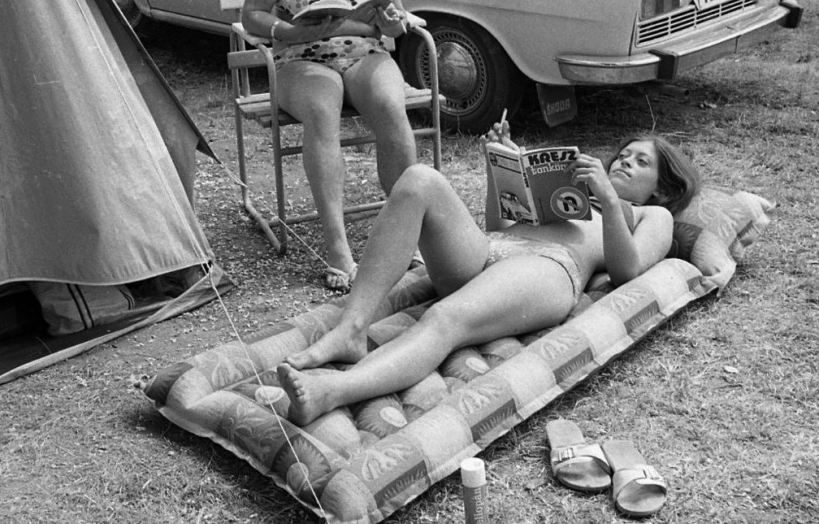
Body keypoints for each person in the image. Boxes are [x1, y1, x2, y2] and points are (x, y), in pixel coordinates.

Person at [276, 130, 700, 426]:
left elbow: (629, 270)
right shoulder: (574, 187)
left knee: (444, 318)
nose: (625, 161)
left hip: (548, 269)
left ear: (660, 190)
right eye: (624, 155)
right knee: (419, 179)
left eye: (640, 162)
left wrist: (608, 199)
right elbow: (500, 224)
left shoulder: (652, 214)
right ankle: (352, 328)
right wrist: (503, 172)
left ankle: (334, 391)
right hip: (494, 249)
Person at [242, 0, 418, 288]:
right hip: (300, 56)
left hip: (362, 52)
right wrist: (289, 31)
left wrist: (396, 21)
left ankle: (408, 229)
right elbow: (251, 15)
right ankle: (337, 245)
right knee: (323, 109)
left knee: (390, 107)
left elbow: (392, 17)